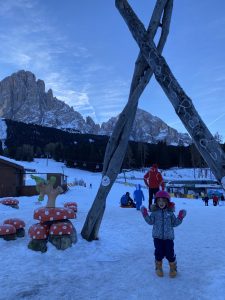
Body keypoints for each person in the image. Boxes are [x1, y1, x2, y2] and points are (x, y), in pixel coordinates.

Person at [140, 190, 187, 278]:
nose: (161, 203)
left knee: (170, 253)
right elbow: (150, 222)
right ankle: (158, 266)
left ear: (167, 202)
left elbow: (175, 223)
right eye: (159, 201)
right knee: (159, 252)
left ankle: (173, 267)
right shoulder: (155, 213)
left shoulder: (170, 213)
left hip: (169, 237)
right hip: (157, 237)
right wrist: (145, 214)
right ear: (156, 202)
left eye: (163, 201)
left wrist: (180, 217)